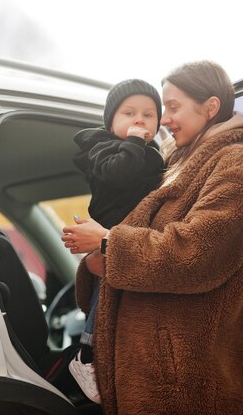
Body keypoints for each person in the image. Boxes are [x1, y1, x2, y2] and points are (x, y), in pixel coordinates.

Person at [61, 60, 243, 415]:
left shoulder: (238, 164)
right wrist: (99, 260)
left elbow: (196, 252)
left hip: (182, 377)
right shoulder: (172, 162)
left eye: (173, 107)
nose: (165, 118)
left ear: (210, 107)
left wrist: (109, 243)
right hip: (143, 368)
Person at [67, 79, 164, 404]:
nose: (140, 121)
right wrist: (135, 143)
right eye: (130, 113)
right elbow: (119, 174)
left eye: (149, 115)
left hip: (130, 240)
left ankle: (106, 356)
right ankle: (87, 356)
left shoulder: (150, 153)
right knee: (104, 296)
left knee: (119, 304)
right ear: (111, 122)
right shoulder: (103, 148)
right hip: (111, 231)